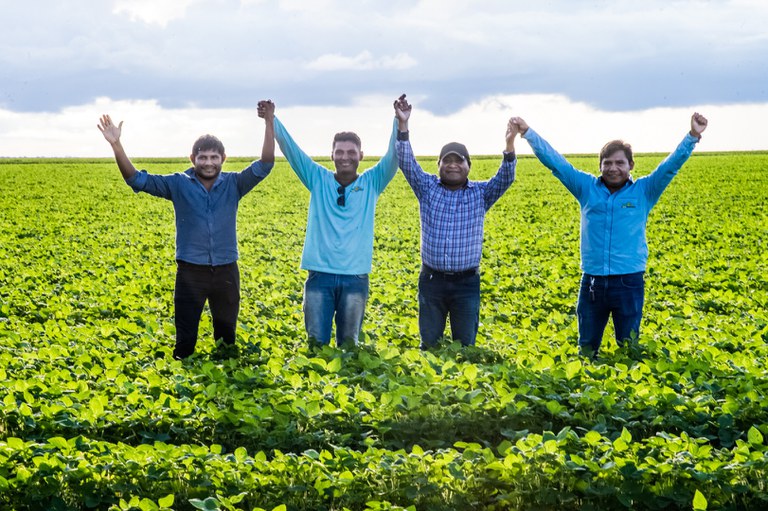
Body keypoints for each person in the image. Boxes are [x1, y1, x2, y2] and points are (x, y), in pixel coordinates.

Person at [512, 113, 708, 359]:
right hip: (593, 282)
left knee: (628, 348)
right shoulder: (586, 188)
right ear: (600, 166)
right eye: (607, 163)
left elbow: (670, 167)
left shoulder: (644, 191)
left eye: (619, 163)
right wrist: (527, 133)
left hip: (629, 281)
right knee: (586, 348)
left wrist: (693, 136)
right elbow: (556, 163)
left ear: (630, 166)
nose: (613, 168)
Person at [97, 100, 276, 359]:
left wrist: (269, 121)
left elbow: (266, 163)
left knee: (227, 340)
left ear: (223, 159)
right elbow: (135, 179)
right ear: (192, 159)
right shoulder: (178, 183)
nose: (208, 163)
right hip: (190, 272)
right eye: (202, 157)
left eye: (214, 157)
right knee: (184, 343)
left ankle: (226, 381)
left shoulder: (235, 183)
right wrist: (116, 144)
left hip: (226, 270)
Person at [393, 95, 518, 349]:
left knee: (465, 346)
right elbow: (407, 162)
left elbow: (505, 178)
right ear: (438, 165)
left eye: (458, 160)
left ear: (468, 165)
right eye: (447, 161)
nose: (452, 165)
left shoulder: (481, 193)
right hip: (432, 281)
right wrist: (403, 124)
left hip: (466, 283)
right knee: (430, 345)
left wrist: (509, 144)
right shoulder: (427, 187)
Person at [272, 101, 399, 348]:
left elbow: (393, 156)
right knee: (316, 344)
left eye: (351, 152)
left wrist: (400, 121)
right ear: (332, 155)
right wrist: (272, 120)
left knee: (349, 345)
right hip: (320, 276)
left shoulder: (372, 182)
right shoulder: (317, 178)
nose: (345, 157)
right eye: (339, 152)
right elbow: (291, 150)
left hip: (355, 278)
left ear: (361, 156)